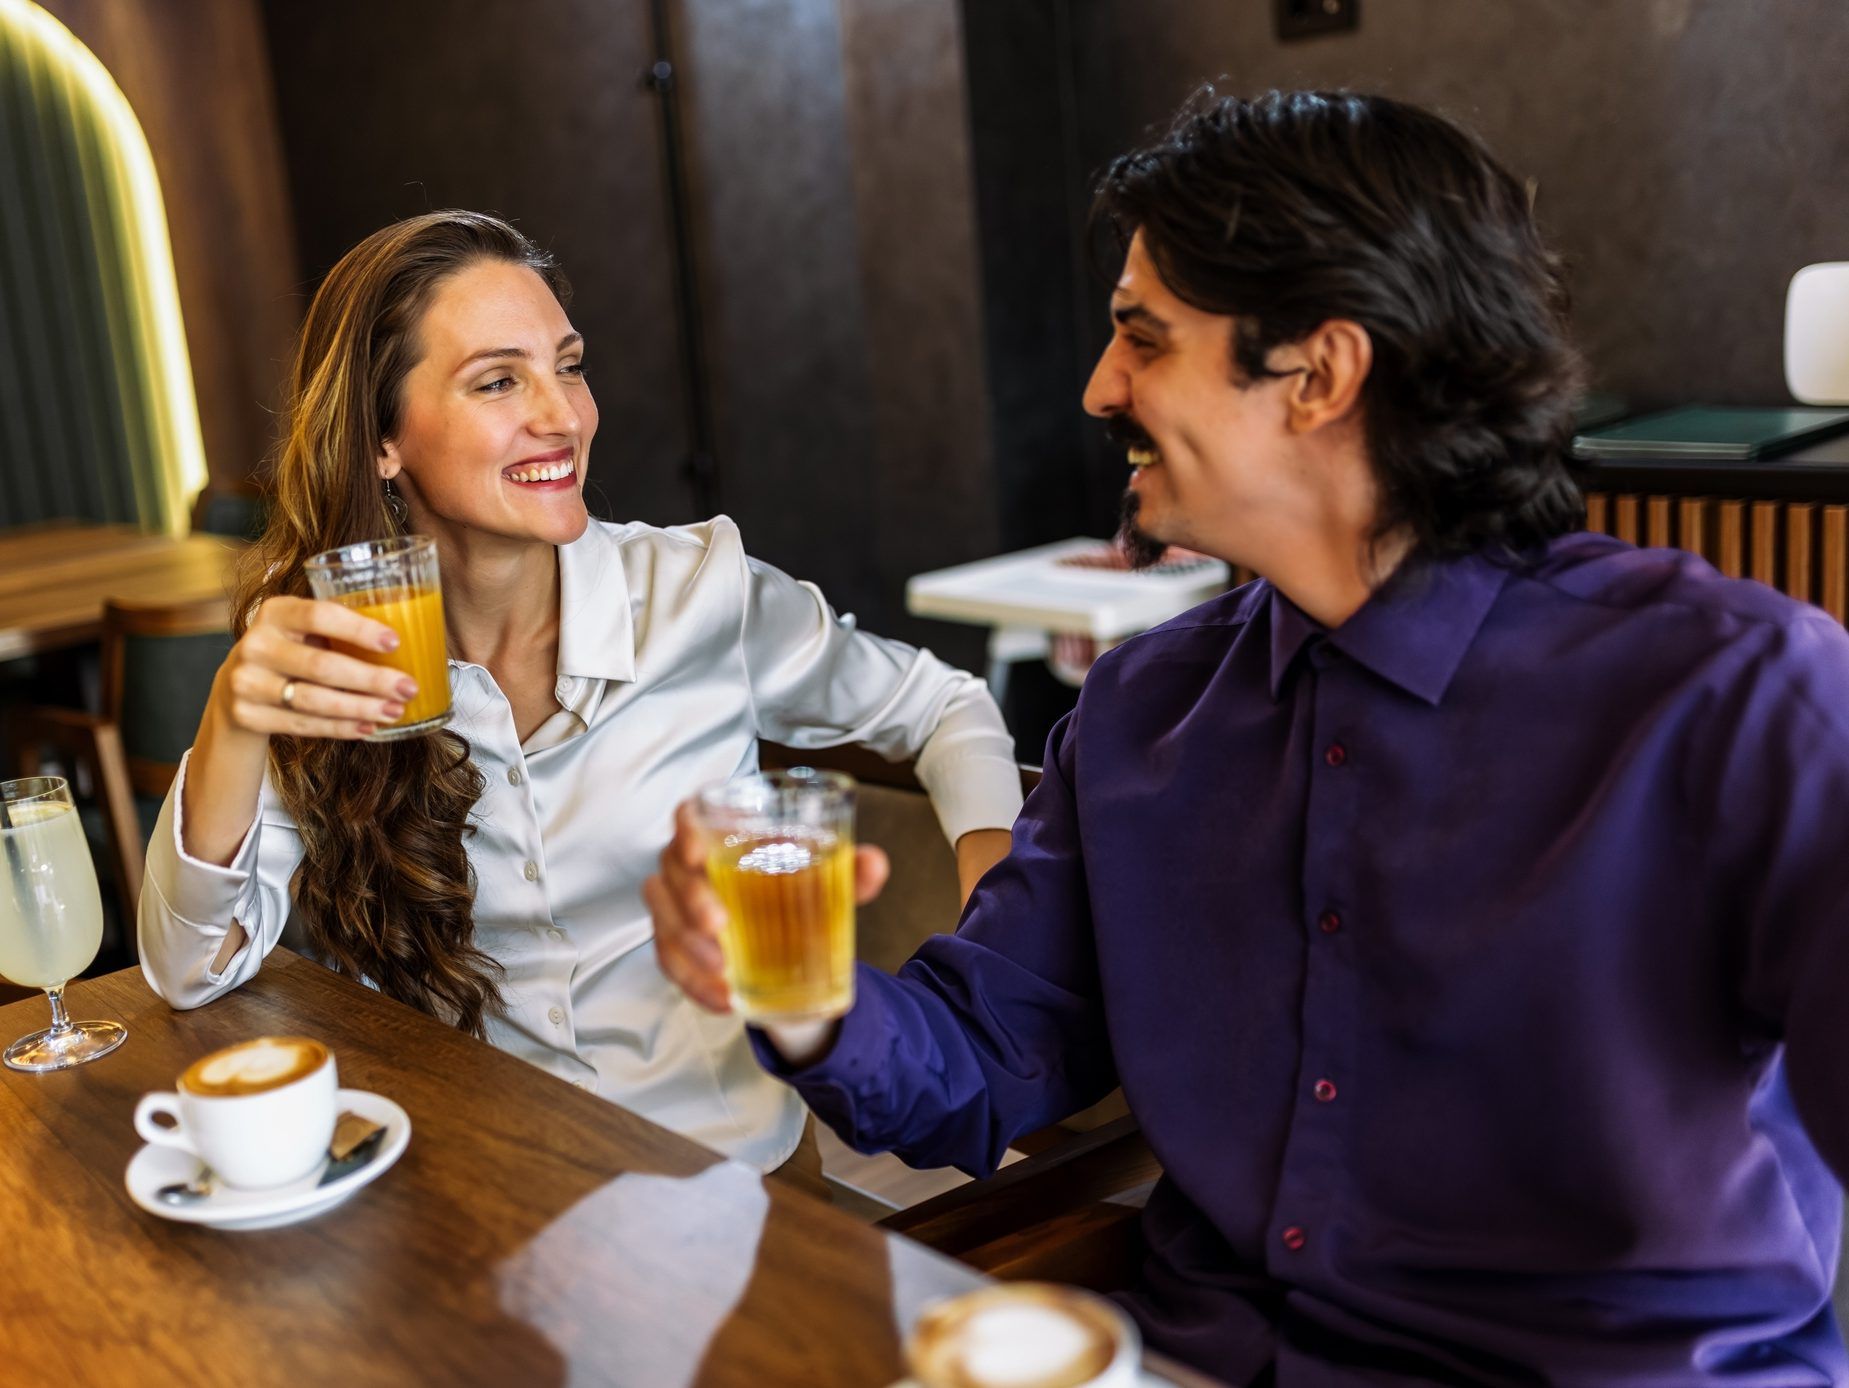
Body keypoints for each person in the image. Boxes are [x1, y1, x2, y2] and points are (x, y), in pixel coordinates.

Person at [647, 90, 1849, 1383]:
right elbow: (985, 1060)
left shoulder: (1737, 696)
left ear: (1319, 374)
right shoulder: (1138, 713)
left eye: (1143, 339)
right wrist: (811, 998)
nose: (1101, 386)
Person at [138, 210, 1021, 1180]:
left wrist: (999, 908)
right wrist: (231, 721)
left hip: (733, 1184)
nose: (563, 414)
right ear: (385, 438)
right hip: (477, 1189)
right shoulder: (344, 643)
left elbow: (946, 706)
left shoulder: (697, 592)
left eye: (568, 364)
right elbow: (188, 969)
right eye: (499, 379)